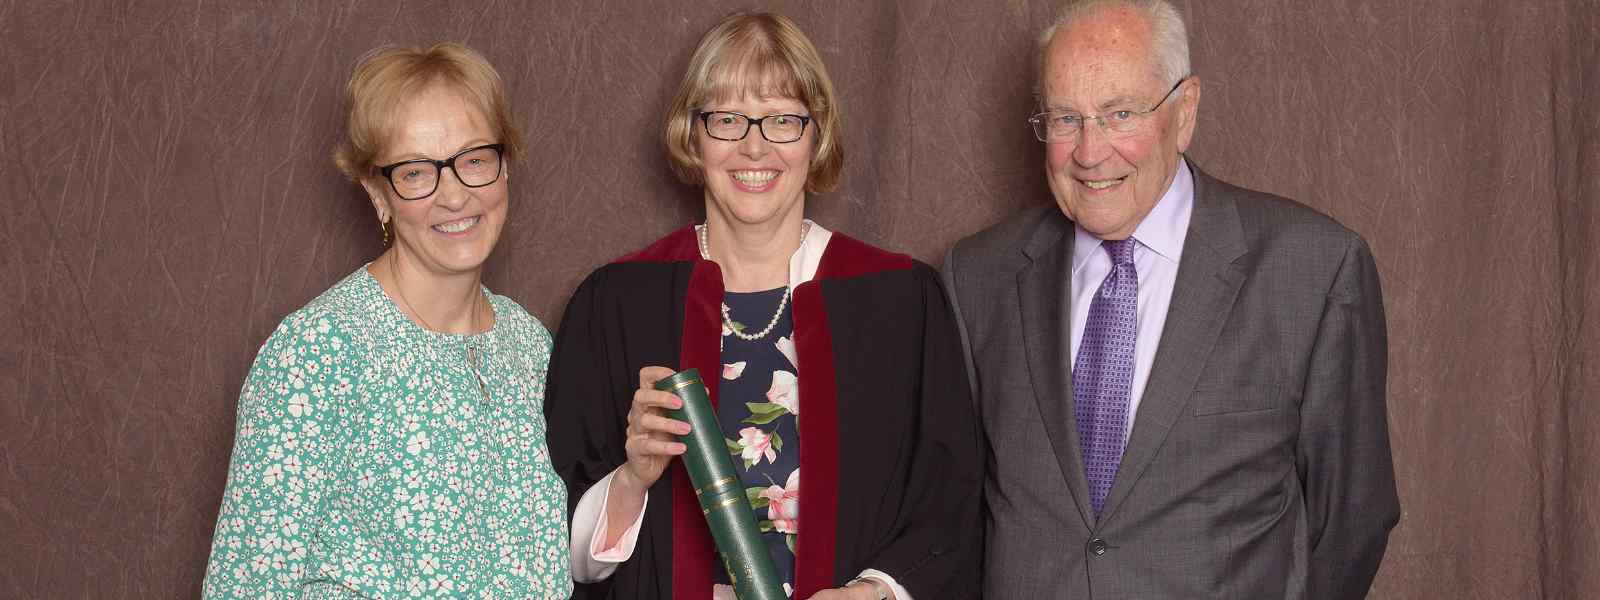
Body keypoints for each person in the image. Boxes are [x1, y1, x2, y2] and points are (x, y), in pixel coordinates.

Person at [940, 1, 1400, 598]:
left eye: (1120, 113)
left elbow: (1353, 520)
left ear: (1184, 113)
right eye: (1064, 119)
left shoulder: (1311, 269)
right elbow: (951, 509)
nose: (1089, 152)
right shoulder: (979, 276)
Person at [543, 12, 982, 600]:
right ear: (692, 135)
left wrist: (873, 594)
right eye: (727, 119)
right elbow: (553, 549)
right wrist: (631, 477)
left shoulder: (899, 300)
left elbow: (950, 508)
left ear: (815, 135)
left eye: (782, 120)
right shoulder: (616, 303)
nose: (755, 146)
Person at [201, 43, 571, 598]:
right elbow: (245, 586)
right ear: (378, 193)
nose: (454, 195)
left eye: (474, 159)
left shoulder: (529, 346)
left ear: (505, 167)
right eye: (417, 171)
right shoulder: (318, 353)